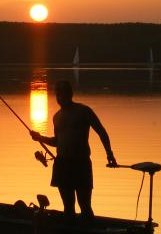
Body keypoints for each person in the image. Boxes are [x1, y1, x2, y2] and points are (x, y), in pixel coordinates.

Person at [30, 80, 117, 221]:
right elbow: (58, 141)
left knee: (85, 207)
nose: (59, 97)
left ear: (70, 94)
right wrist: (40, 138)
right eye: (57, 94)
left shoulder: (84, 111)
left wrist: (109, 153)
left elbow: (101, 131)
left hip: (81, 164)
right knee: (68, 209)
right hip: (62, 164)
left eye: (62, 94)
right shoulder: (56, 117)